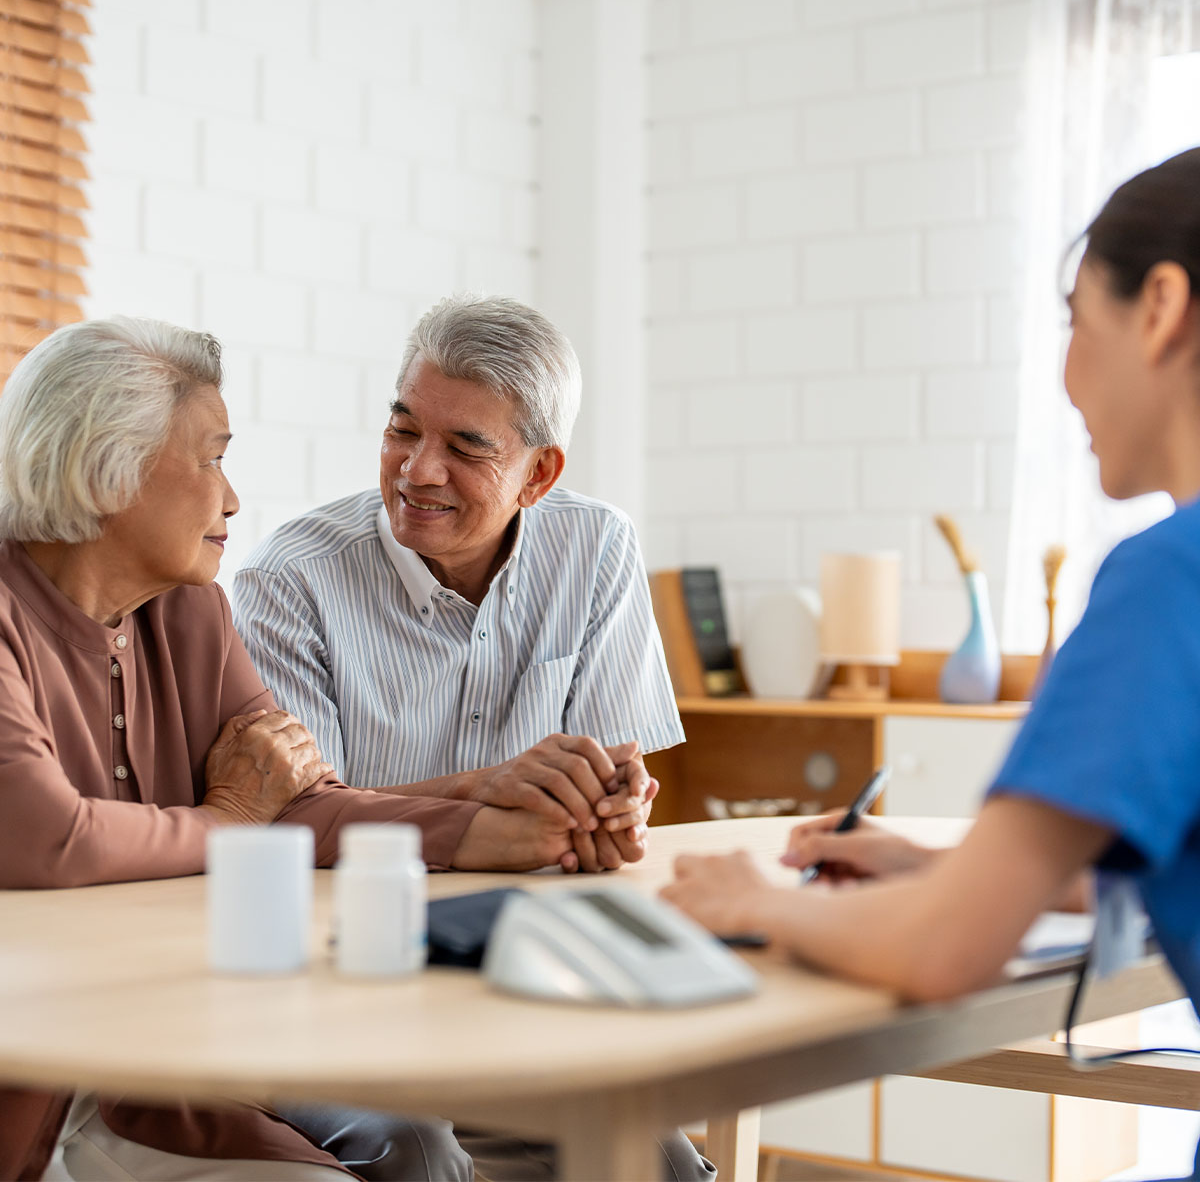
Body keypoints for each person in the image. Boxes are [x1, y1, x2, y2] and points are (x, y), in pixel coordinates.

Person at [661, 147, 1200, 1181]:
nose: (1065, 375)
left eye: (1075, 323)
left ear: (1162, 306)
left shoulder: (1165, 582)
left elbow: (946, 953)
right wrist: (939, 869)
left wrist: (753, 899)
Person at [0, 317, 625, 1182]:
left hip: (157, 1063)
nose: (232, 500)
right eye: (212, 457)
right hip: (35, 1072)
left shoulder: (190, 611)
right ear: (110, 468)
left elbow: (301, 800)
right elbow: (45, 838)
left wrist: (497, 834)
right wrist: (232, 817)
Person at [232, 295, 709, 1180]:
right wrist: (495, 791)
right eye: (402, 430)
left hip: (519, 968)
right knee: (417, 1153)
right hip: (339, 980)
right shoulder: (289, 580)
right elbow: (298, 824)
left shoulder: (597, 549)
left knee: (658, 1165)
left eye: (466, 448)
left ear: (539, 473)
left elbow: (619, 782)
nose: (418, 471)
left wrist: (613, 809)